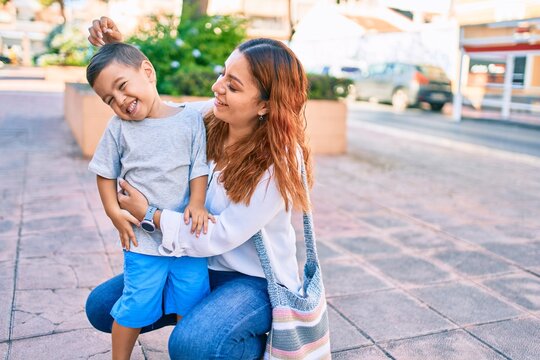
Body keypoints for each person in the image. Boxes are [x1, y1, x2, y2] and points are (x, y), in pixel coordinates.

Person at [86, 16, 314, 359]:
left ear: (265, 105)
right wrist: (119, 55)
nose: (217, 87)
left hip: (252, 281)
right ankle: (211, 327)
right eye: (222, 74)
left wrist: (149, 214)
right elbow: (153, 105)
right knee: (103, 307)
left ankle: (248, 345)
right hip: (199, 261)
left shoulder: (280, 160)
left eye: (233, 86)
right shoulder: (207, 117)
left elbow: (218, 235)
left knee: (191, 345)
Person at [86, 42, 213, 360]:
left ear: (147, 72)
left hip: (186, 240)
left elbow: (198, 168)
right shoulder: (118, 129)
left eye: (122, 87)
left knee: (191, 302)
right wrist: (114, 213)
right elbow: (104, 173)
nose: (120, 101)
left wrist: (196, 203)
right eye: (109, 100)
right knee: (136, 304)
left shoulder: (189, 120)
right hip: (142, 242)